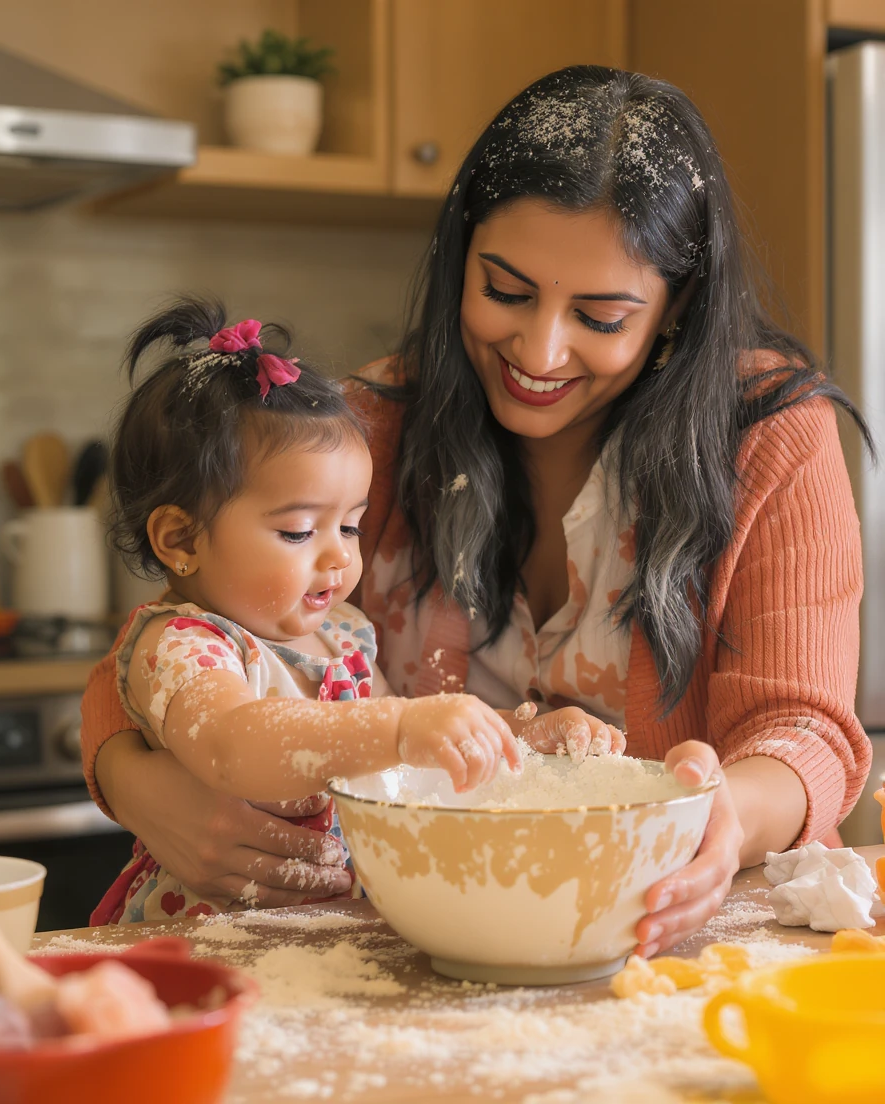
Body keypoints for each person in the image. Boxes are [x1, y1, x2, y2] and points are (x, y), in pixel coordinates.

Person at [82, 67, 872, 954]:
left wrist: (724, 816)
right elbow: (175, 634)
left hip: (690, 941)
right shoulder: (369, 427)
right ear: (461, 259)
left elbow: (804, 731)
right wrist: (144, 787)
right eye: (505, 291)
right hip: (428, 947)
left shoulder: (766, 436)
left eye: (601, 317)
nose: (538, 350)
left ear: (676, 307)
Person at [92, 297, 620, 924]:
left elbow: (413, 737)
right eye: (297, 533)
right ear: (180, 540)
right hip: (207, 938)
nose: (338, 558)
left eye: (349, 526)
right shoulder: (182, 644)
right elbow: (232, 743)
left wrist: (514, 737)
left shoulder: (344, 635)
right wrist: (399, 727)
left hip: (323, 935)